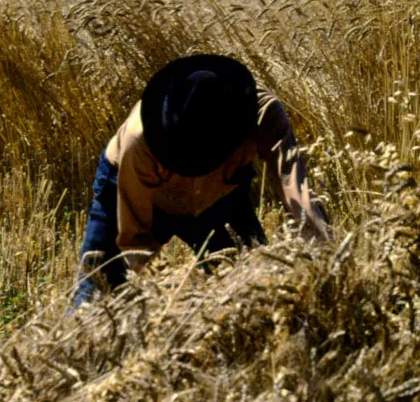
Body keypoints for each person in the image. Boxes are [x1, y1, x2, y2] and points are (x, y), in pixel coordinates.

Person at [73, 54, 330, 307]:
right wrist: (167, 300)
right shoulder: (139, 141)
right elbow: (135, 240)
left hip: (219, 198)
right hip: (141, 195)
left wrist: (323, 260)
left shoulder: (263, 114)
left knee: (253, 294)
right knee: (92, 296)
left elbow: (294, 186)